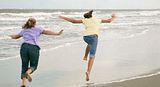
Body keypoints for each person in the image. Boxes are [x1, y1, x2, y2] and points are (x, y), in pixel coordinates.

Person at [59, 10, 116, 81]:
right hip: (94, 37)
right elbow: (109, 21)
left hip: (85, 37)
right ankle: (88, 72)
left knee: (89, 44)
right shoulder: (97, 19)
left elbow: (73, 21)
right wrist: (113, 17)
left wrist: (63, 17)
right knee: (92, 56)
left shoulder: (85, 20)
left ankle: (85, 56)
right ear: (91, 15)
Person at [10, 17, 63, 87]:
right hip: (33, 48)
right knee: (33, 66)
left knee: (24, 66)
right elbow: (47, 32)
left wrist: (10, 36)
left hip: (24, 47)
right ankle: (28, 73)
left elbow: (16, 36)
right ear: (35, 23)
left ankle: (23, 84)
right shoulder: (38, 28)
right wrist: (57, 33)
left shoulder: (24, 30)